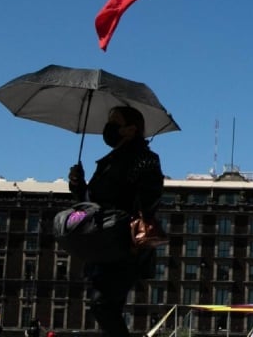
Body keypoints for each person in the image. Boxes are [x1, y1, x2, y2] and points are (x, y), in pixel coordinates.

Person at [68, 105, 164, 337]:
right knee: (107, 306)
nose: (108, 127)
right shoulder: (108, 163)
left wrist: (133, 216)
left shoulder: (144, 159)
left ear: (131, 129)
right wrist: (78, 185)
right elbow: (92, 202)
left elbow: (150, 198)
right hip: (103, 241)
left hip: (125, 243)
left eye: (115, 122)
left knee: (102, 303)